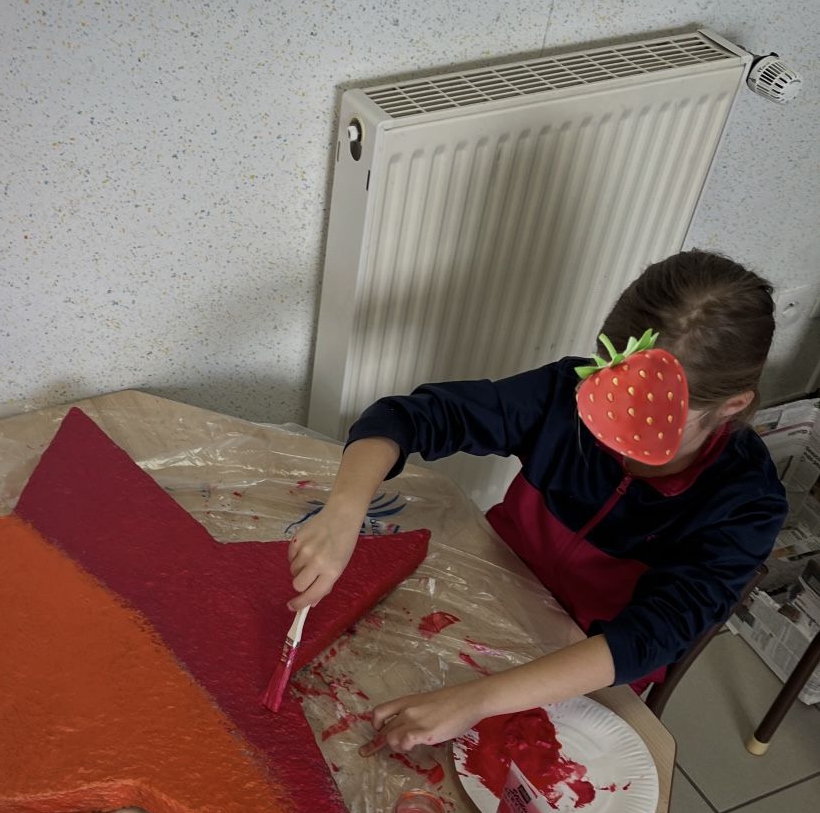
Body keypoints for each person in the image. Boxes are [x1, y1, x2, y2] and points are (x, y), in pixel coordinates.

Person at [288, 250, 788, 752]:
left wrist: (476, 699)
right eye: (609, 402)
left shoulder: (745, 503)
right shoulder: (563, 393)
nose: (614, 442)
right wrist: (343, 512)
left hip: (583, 663)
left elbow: (649, 637)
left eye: (648, 427)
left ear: (732, 406)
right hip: (491, 584)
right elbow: (412, 416)